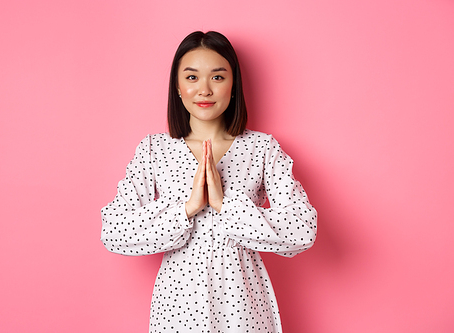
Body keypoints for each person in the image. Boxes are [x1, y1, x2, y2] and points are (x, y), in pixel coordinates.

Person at [101, 31, 317, 333]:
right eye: (191, 78)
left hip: (243, 307)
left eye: (217, 77)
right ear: (177, 86)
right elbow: (114, 232)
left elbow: (302, 230)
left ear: (233, 85)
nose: (204, 90)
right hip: (177, 308)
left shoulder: (262, 148)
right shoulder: (154, 150)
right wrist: (187, 208)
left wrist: (225, 205)